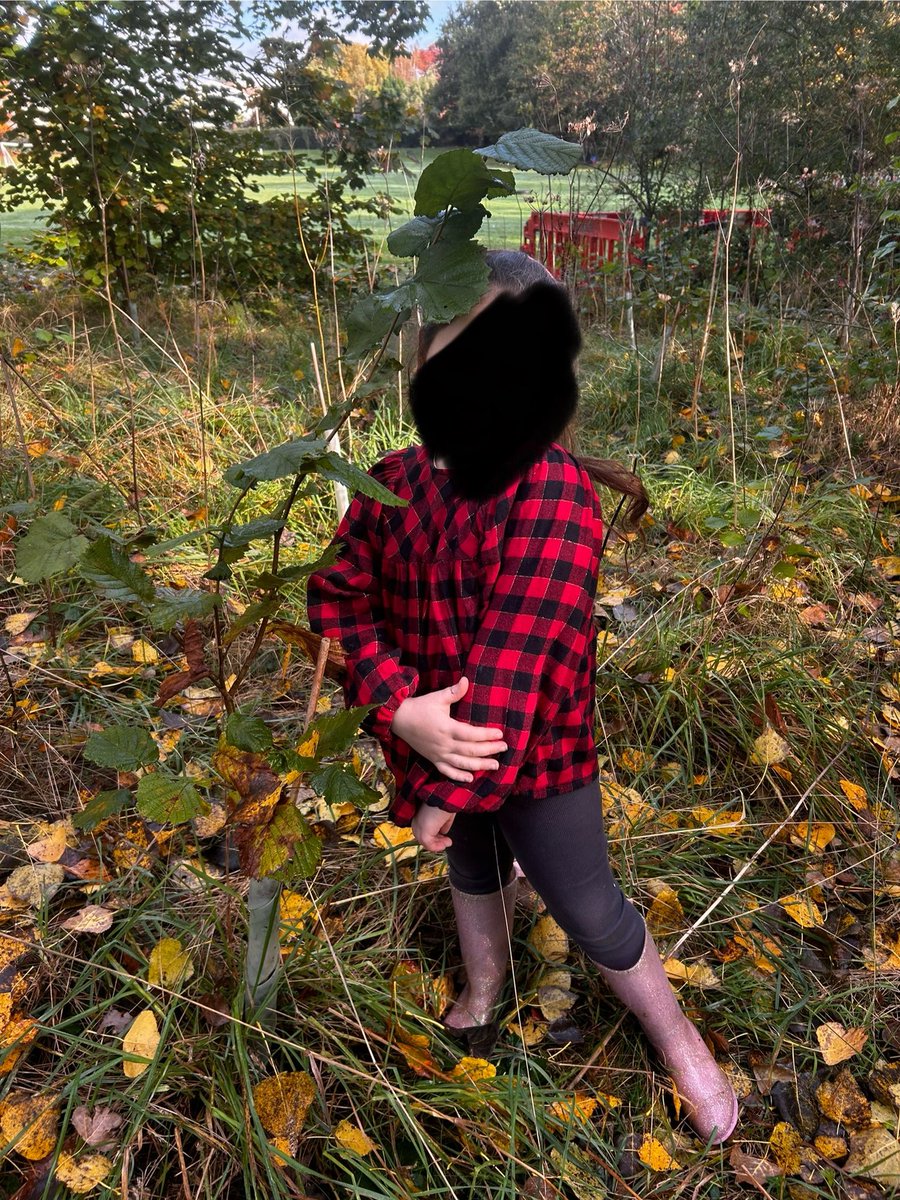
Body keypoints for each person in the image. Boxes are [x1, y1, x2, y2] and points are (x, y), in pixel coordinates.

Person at [306, 249, 739, 1145]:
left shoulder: (553, 493)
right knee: (471, 867)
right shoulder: (391, 481)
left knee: (585, 903)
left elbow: (516, 663)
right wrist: (396, 708)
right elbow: (336, 598)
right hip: (430, 743)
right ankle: (485, 984)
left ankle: (676, 1033)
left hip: (537, 758)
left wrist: (442, 788)